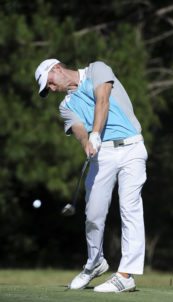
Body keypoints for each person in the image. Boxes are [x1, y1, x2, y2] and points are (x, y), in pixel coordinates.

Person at [35, 58, 148, 293]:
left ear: (56, 68)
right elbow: (78, 130)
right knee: (93, 213)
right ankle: (95, 262)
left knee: (130, 208)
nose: (51, 89)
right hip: (102, 155)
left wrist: (95, 132)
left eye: (50, 83)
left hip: (132, 148)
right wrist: (88, 142)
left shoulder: (97, 69)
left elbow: (103, 99)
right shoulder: (65, 105)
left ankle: (126, 274)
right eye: (47, 89)